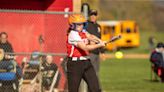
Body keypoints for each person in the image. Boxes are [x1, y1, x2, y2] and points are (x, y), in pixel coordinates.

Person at [67, 14, 105, 92]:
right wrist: (99, 45)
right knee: (73, 90)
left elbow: (90, 36)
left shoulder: (83, 31)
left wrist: (100, 41)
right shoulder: (73, 34)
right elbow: (85, 47)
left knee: (95, 88)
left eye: (82, 24)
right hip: (75, 64)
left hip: (86, 62)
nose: (81, 26)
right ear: (72, 25)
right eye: (78, 24)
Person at [86, 9, 103, 77]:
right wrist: (89, 42)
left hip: (96, 52)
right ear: (89, 16)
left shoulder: (98, 26)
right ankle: (88, 87)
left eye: (94, 15)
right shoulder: (86, 25)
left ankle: (95, 87)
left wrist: (102, 51)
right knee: (89, 72)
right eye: (91, 15)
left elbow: (100, 39)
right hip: (89, 52)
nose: (93, 16)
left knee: (96, 72)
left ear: (97, 16)